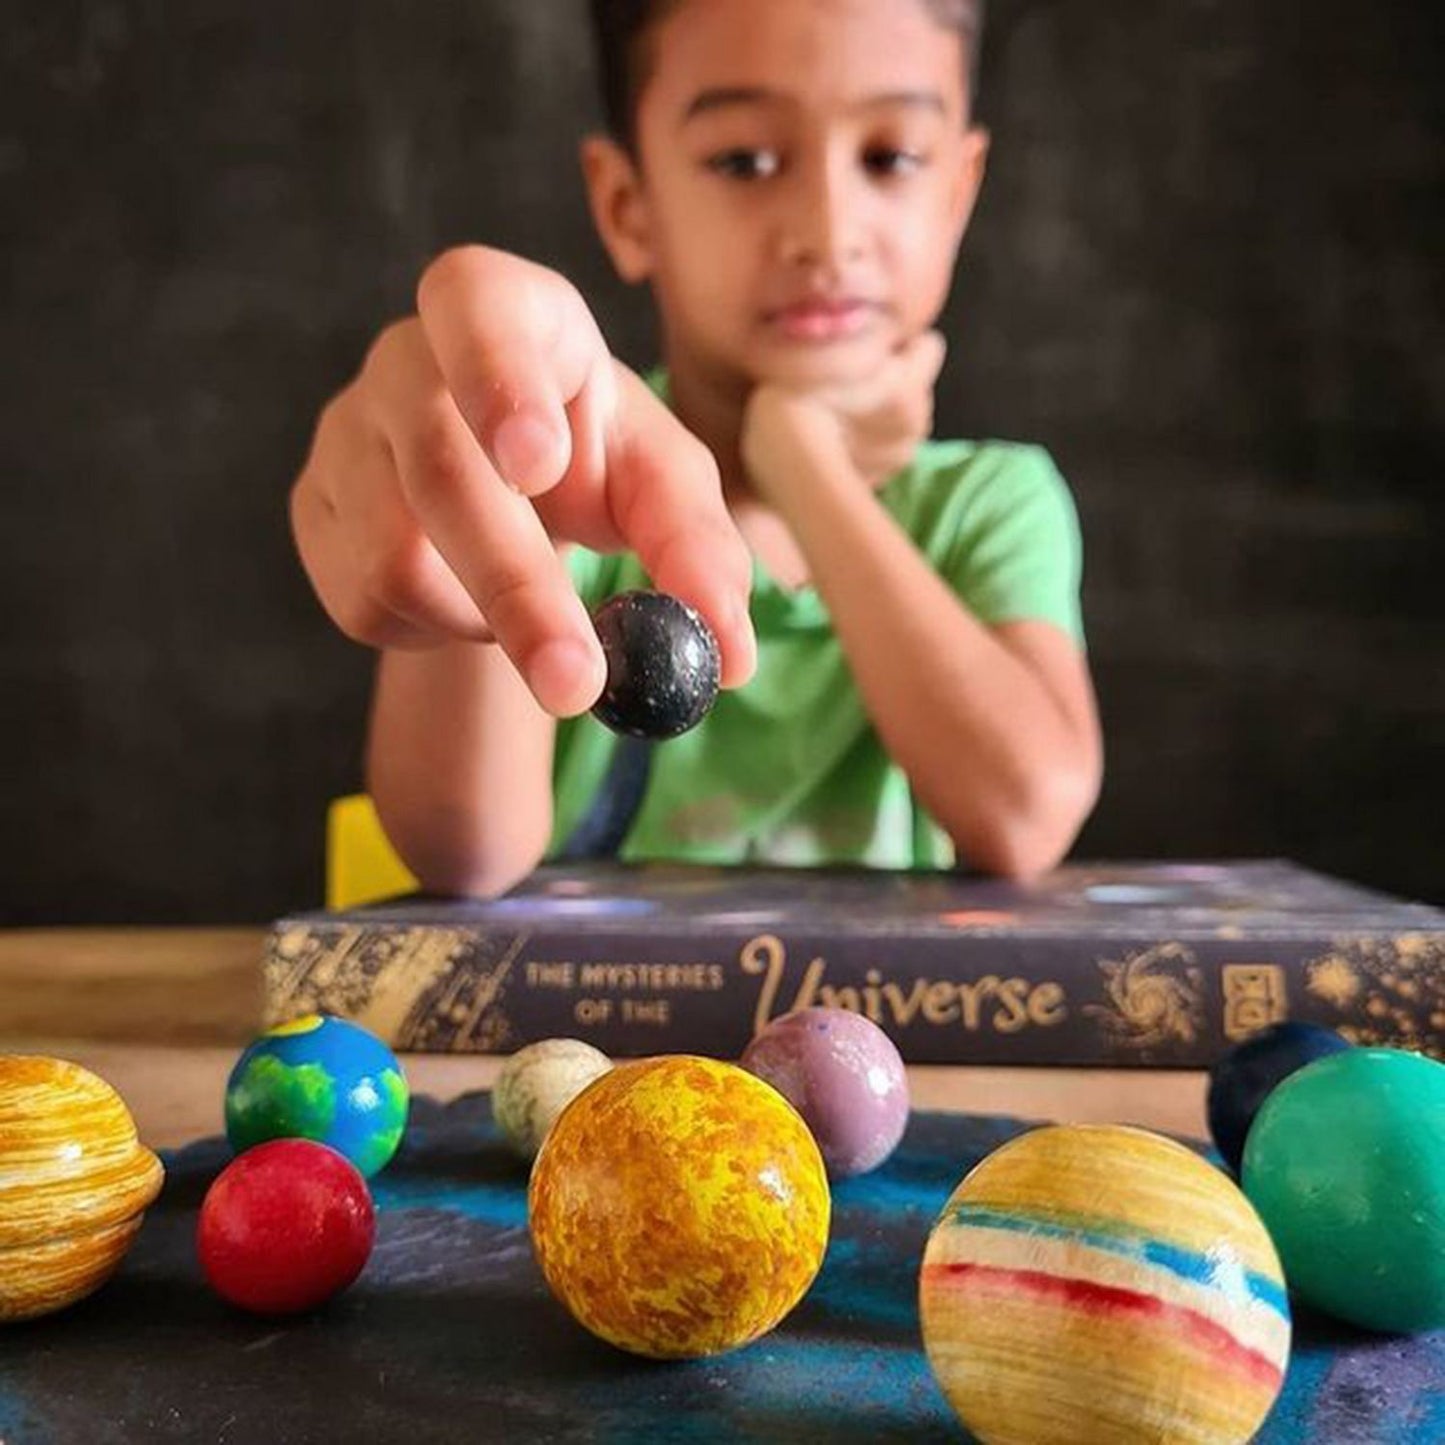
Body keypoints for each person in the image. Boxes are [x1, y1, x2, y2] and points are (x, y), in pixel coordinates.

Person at [290, 0, 1103, 896]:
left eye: (889, 158)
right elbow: (461, 850)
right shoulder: (568, 482)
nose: (827, 233)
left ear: (957, 192)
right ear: (627, 207)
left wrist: (803, 464)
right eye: (744, 160)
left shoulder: (990, 503)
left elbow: (1025, 813)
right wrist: (501, 467)